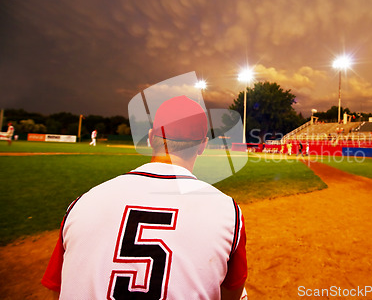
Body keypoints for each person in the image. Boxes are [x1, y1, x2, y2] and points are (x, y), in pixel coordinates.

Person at [42, 96, 247, 299]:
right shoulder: (227, 212)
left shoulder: (81, 204)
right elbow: (232, 294)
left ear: (150, 138)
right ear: (202, 145)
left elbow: (56, 289)